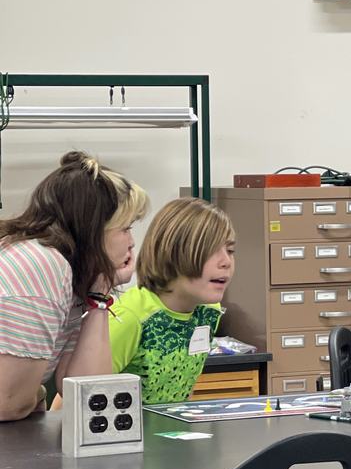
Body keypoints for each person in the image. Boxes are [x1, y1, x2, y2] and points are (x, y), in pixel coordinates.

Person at [0, 151, 148, 421]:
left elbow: (88, 391)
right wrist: (38, 395)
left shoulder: (67, 272)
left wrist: (99, 296)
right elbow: (9, 403)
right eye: (125, 228)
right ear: (93, 229)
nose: (132, 242)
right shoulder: (40, 266)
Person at [110, 197, 235, 404]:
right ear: (173, 253)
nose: (226, 262)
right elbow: (73, 397)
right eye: (212, 251)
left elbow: (179, 385)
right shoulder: (130, 318)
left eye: (230, 251)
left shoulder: (208, 312)